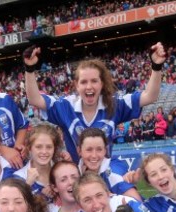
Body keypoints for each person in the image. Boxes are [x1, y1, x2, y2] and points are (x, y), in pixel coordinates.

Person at [23, 43, 166, 162]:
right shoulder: (66, 106)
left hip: (106, 172)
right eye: (83, 82)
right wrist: (29, 69)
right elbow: (35, 99)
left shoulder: (115, 104)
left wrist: (156, 66)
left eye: (94, 81)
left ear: (102, 84)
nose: (89, 86)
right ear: (76, 85)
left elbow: (150, 96)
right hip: (77, 176)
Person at [76, 128, 142, 201]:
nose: (94, 155)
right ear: (79, 151)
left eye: (99, 149)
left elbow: (137, 202)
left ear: (105, 150)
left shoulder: (111, 172)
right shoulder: (74, 172)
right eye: (89, 150)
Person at [13, 123, 63, 199]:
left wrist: (58, 191)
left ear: (54, 149)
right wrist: (27, 185)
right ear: (29, 148)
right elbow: (15, 206)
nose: (44, 151)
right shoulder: (19, 177)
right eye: (38, 147)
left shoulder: (62, 172)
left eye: (49, 147)